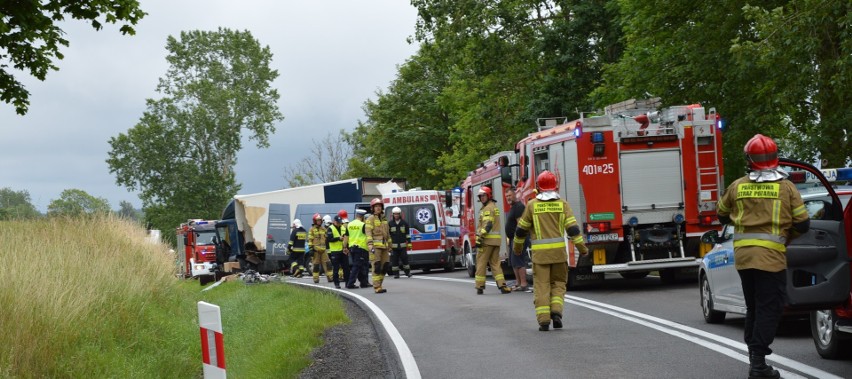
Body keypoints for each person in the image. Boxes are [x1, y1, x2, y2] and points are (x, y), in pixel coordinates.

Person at [716, 134, 809, 379]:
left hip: (744, 259)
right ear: (775, 157)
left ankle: (755, 361)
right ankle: (758, 365)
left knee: (754, 308)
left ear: (750, 159)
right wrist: (787, 235)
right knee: (770, 309)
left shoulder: (738, 186)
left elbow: (722, 215)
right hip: (771, 259)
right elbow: (804, 223)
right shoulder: (786, 187)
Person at [514, 170, 588, 331]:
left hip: (540, 257)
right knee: (559, 284)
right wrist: (582, 249)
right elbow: (573, 229)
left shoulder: (532, 205)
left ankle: (544, 321)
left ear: (538, 187)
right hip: (559, 255)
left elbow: (521, 230)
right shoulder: (563, 204)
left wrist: (517, 248)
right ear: (555, 186)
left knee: (542, 286)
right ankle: (556, 312)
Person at [475, 186, 512, 295]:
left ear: (489, 195)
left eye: (483, 195)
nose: (482, 198)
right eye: (480, 196)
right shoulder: (494, 207)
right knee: (495, 264)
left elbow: (488, 224)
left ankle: (479, 286)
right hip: (495, 242)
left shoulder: (487, 209)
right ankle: (502, 285)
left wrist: (480, 237)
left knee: (481, 262)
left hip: (486, 242)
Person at [505, 187, 530, 292]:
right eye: (506, 196)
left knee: (519, 261)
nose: (508, 198)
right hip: (513, 239)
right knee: (514, 261)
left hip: (519, 239)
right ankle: (518, 283)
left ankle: (523, 284)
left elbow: (520, 224)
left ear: (515, 195)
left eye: (510, 195)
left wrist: (517, 239)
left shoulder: (519, 207)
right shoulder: (513, 207)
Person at [365, 198, 390, 293]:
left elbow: (388, 234)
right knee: (377, 266)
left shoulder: (384, 219)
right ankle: (376, 287)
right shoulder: (370, 219)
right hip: (375, 247)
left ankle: (380, 283)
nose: (378, 208)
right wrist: (370, 244)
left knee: (385, 266)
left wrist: (390, 245)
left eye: (379, 206)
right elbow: (368, 233)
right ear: (372, 208)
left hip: (384, 246)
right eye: (376, 206)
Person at [345, 209, 372, 289]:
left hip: (352, 248)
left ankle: (364, 283)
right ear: (363, 217)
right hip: (362, 248)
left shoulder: (349, 224)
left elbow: (346, 237)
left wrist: (344, 247)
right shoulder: (363, 225)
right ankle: (350, 283)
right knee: (360, 266)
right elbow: (368, 235)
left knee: (359, 266)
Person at [388, 206, 412, 278]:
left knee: (405, 260)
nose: (396, 215)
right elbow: (388, 235)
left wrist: (409, 243)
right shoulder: (390, 224)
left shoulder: (404, 223)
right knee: (394, 261)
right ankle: (396, 274)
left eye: (397, 214)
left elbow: (407, 234)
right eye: (395, 214)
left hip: (403, 246)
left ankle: (407, 273)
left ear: (400, 214)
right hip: (394, 247)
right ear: (393, 215)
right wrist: (389, 246)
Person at [326, 215, 350, 289]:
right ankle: (337, 284)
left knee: (346, 268)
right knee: (336, 268)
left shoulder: (343, 228)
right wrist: (338, 238)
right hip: (335, 251)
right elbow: (329, 239)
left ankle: (347, 283)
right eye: (338, 222)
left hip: (343, 250)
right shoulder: (330, 228)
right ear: (334, 221)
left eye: (340, 222)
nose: (339, 224)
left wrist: (347, 247)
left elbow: (347, 238)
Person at [308, 213, 332, 284]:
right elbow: (310, 240)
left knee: (328, 263)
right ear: (315, 221)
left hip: (323, 250)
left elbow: (326, 238)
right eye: (318, 220)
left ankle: (330, 277)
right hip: (316, 250)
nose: (319, 222)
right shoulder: (312, 230)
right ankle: (316, 278)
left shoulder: (323, 229)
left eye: (320, 220)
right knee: (316, 265)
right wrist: (311, 249)